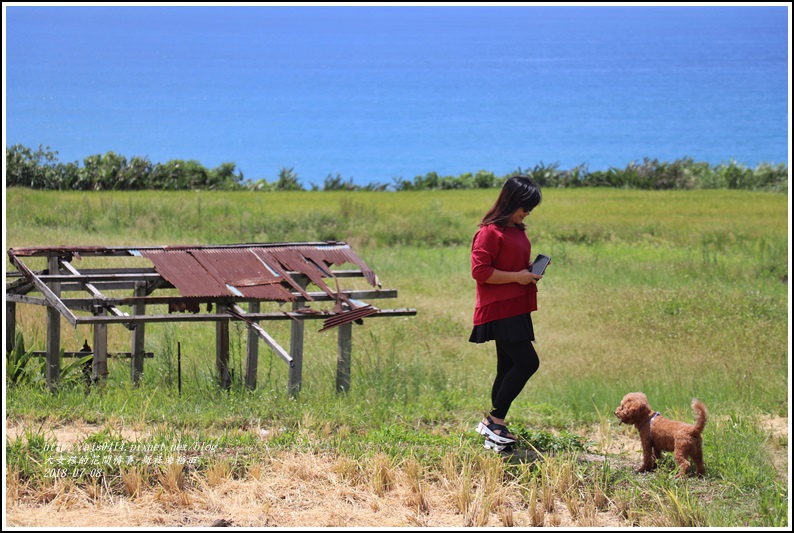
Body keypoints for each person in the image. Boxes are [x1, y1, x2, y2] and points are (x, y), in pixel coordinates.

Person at [469, 174, 543, 451]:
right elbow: (480, 272)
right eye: (524, 207)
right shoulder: (489, 232)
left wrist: (527, 274)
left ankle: (493, 433)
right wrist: (517, 277)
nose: (527, 213)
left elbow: (512, 265)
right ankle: (494, 420)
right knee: (527, 363)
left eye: (530, 209)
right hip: (500, 308)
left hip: (517, 305)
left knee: (507, 366)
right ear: (511, 201)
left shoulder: (517, 229)